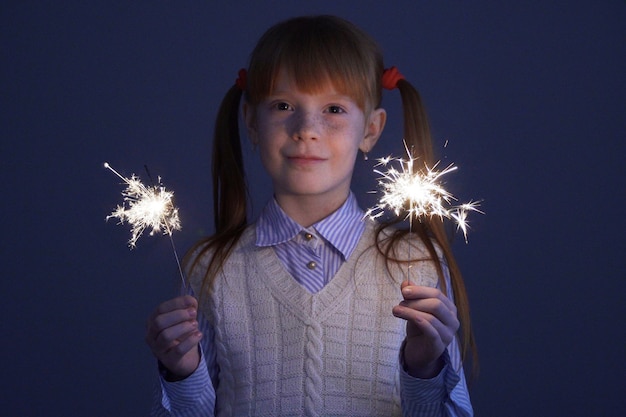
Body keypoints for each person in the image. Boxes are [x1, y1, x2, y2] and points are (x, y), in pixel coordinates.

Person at [146, 15, 476, 416]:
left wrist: (423, 369)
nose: (306, 129)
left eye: (334, 108)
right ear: (251, 121)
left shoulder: (416, 262)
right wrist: (182, 374)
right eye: (283, 105)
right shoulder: (210, 268)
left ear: (371, 130)